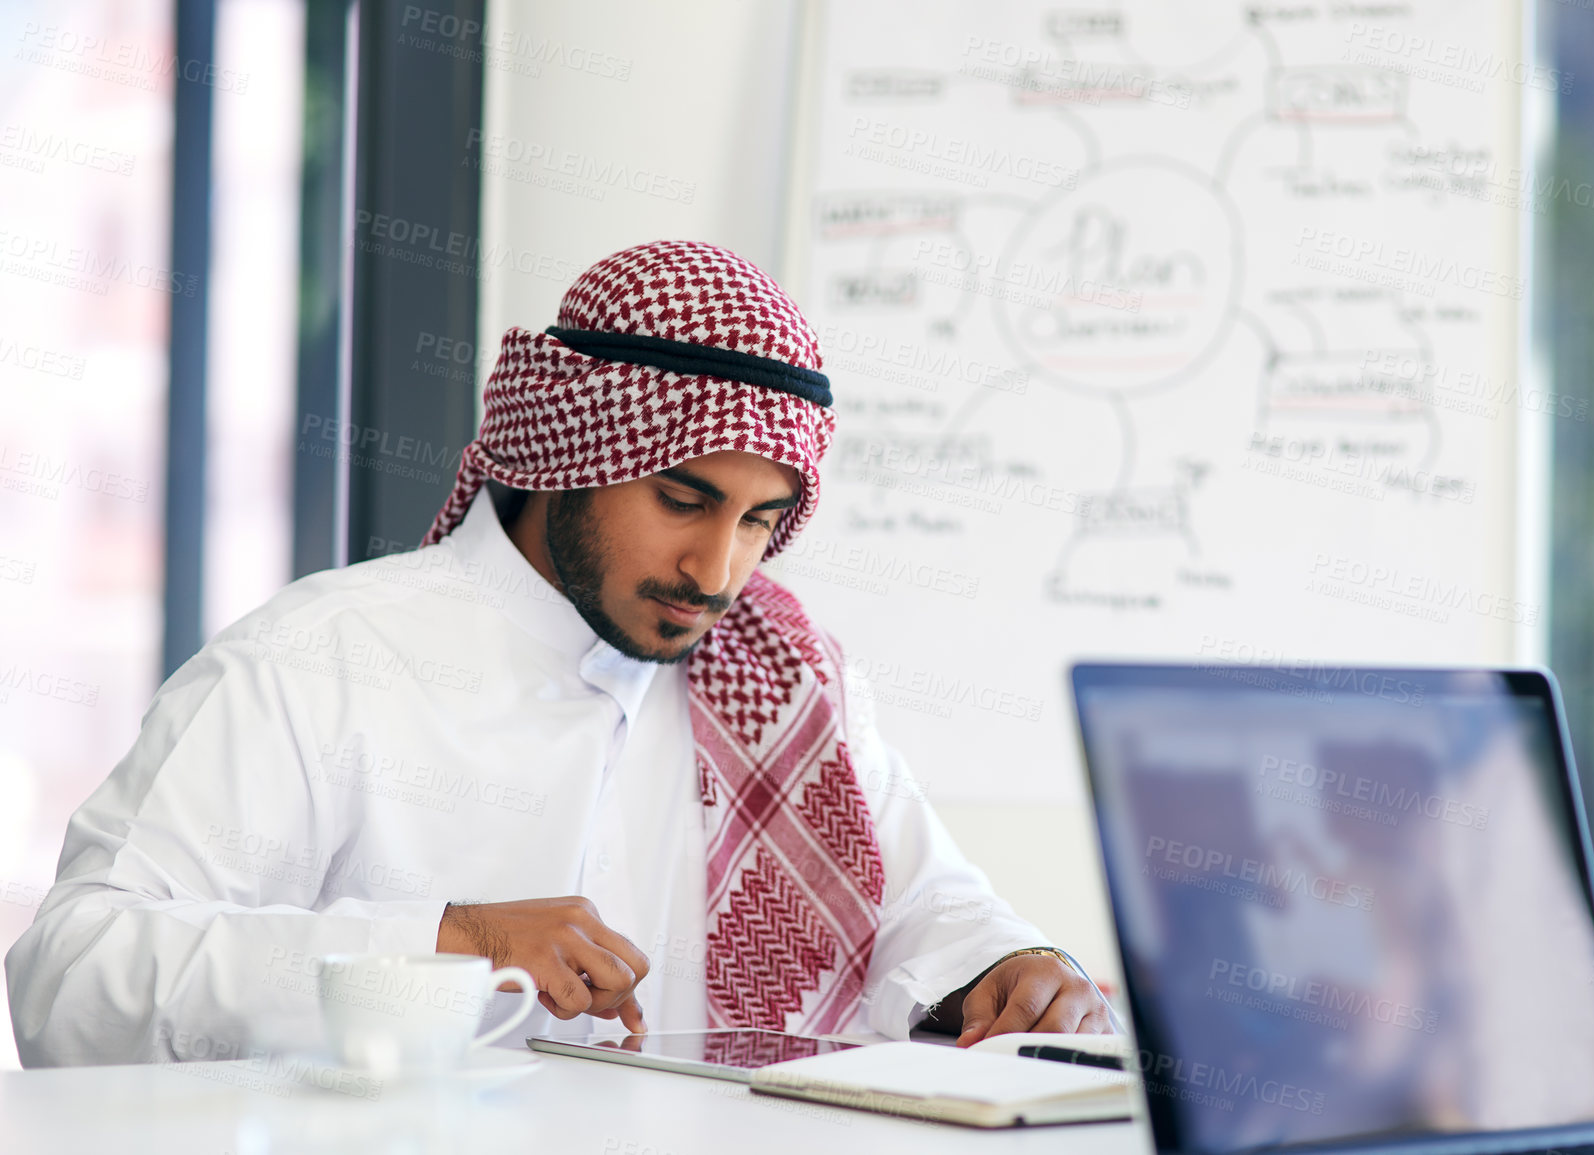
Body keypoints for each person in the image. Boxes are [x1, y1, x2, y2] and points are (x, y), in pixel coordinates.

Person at [5, 240, 1110, 1067]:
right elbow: (73, 975)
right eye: (683, 498)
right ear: (567, 448)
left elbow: (926, 903)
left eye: (761, 520)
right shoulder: (320, 662)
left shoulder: (787, 682)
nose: (719, 571)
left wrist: (1015, 966)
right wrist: (445, 943)